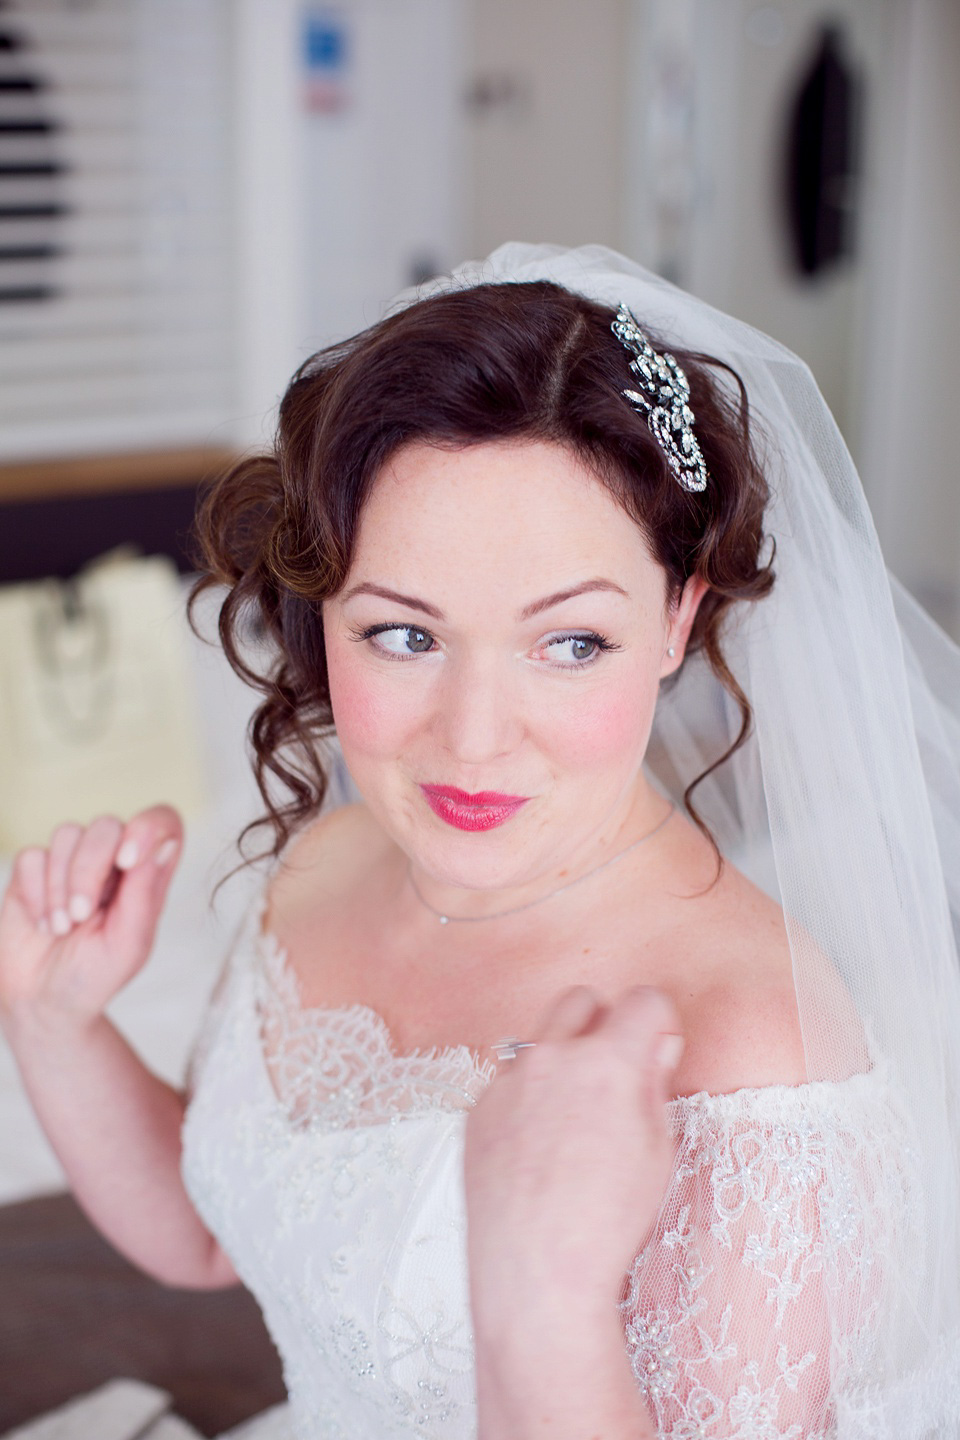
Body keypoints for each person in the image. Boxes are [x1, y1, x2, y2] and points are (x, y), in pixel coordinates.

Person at [2, 243, 959, 1440]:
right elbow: (212, 1237)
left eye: (570, 645)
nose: (473, 739)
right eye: (404, 635)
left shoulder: (756, 1063)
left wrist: (543, 1301)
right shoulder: (328, 863)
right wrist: (51, 1019)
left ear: (677, 618)